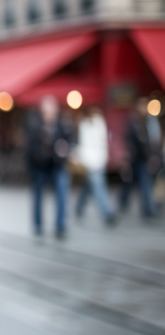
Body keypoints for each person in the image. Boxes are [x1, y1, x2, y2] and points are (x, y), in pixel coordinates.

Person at [25, 95, 73, 239]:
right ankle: (38, 225)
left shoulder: (62, 125)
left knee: (62, 191)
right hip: (39, 166)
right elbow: (29, 148)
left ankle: (60, 225)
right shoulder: (35, 125)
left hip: (56, 164)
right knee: (38, 196)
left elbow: (69, 141)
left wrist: (64, 150)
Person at [118, 97, 162, 219]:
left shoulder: (147, 121)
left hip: (143, 158)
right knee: (129, 183)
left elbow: (150, 139)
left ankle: (147, 209)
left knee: (144, 182)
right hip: (134, 158)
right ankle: (123, 202)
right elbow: (132, 139)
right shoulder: (134, 121)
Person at [73, 106, 116, 225]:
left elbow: (103, 143)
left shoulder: (100, 125)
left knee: (87, 187)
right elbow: (83, 144)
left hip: (98, 161)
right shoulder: (85, 125)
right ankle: (107, 212)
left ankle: (78, 208)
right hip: (89, 161)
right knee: (99, 187)